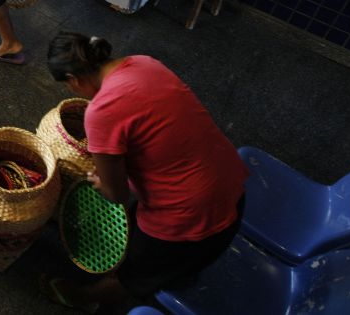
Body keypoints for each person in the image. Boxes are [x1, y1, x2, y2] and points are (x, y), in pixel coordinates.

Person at [42, 32, 248, 312]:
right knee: (141, 230)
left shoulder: (101, 111)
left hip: (193, 217)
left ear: (73, 79)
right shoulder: (144, 63)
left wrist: (100, 182)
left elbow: (116, 195)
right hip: (231, 184)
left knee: (135, 277)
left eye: (68, 86)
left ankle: (85, 296)